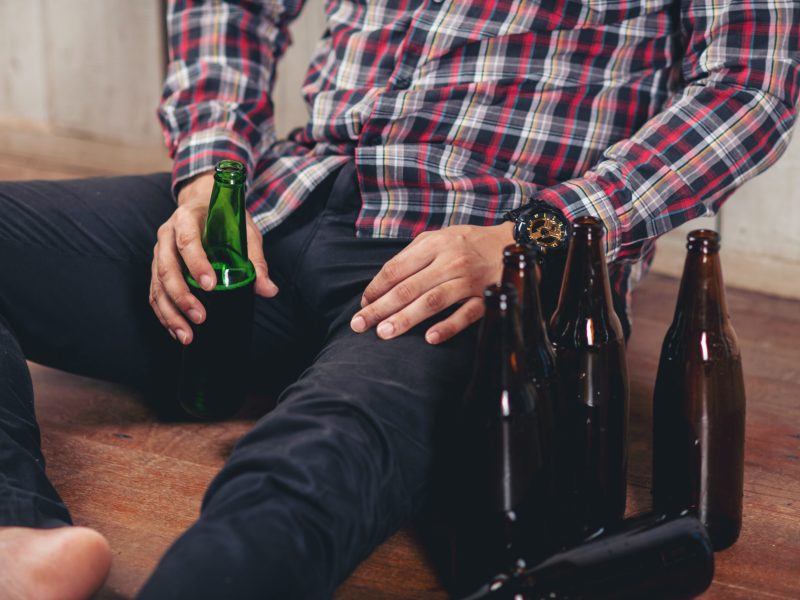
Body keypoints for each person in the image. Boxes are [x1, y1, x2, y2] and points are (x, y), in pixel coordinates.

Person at [0, 1, 797, 598]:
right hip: (284, 197)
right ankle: (19, 531)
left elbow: (750, 86)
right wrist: (214, 172)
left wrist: (537, 236)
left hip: (475, 252)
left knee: (320, 457)